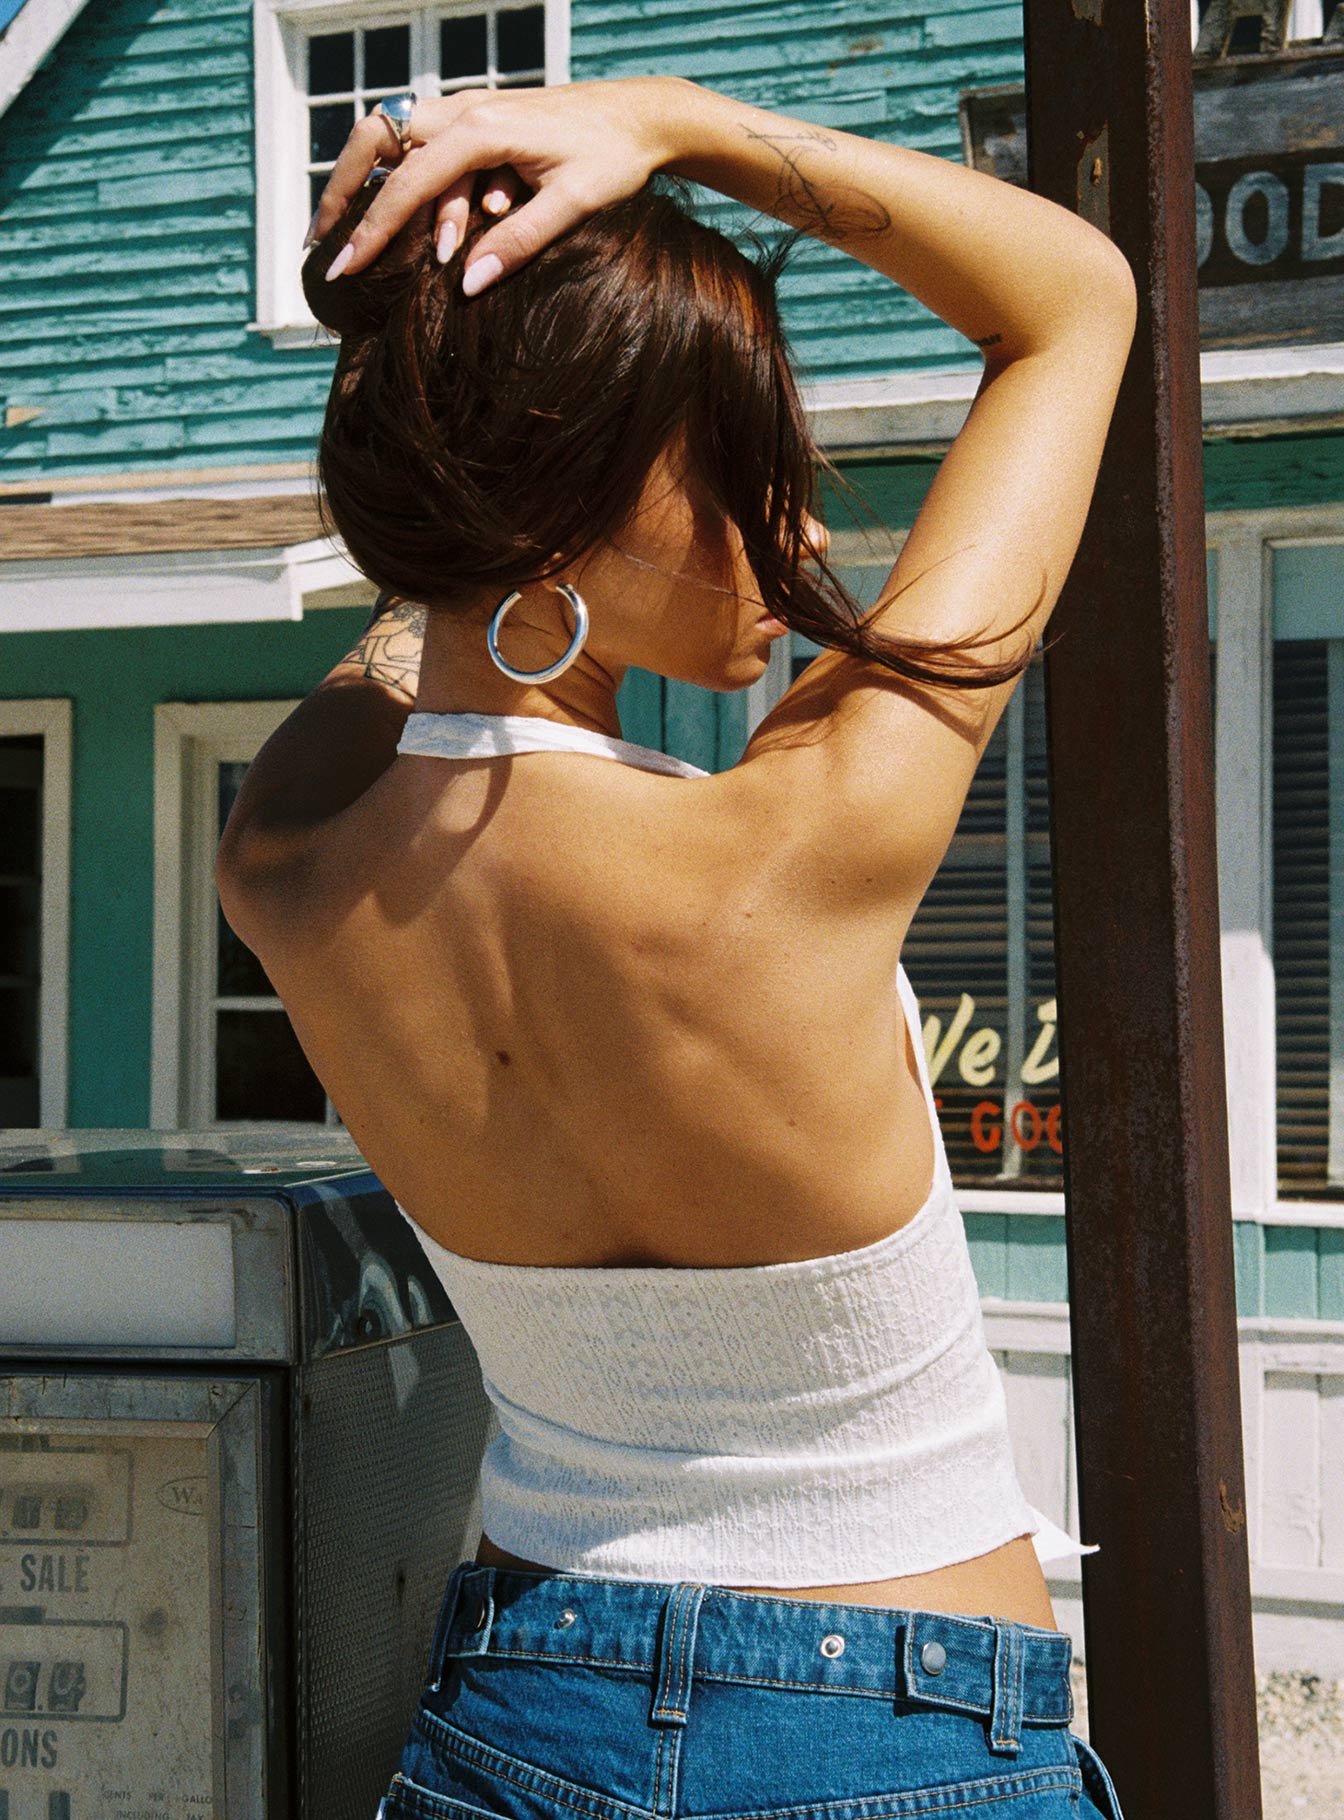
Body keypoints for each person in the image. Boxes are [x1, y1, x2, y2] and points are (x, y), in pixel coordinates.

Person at [216, 74, 1135, 1820]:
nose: (795, 532)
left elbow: (422, 640)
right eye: (752, 467)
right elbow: (1069, 296)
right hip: (899, 1743)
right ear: (569, 491)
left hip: (509, 1727)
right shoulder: (799, 842)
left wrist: (434, 321)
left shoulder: (287, 862)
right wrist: (671, 125)